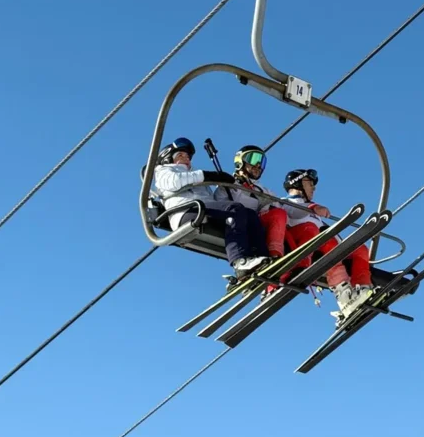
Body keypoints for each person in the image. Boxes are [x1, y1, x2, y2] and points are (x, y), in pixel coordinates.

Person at [151, 136, 269, 276]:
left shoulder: (192, 173)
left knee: (249, 215)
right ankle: (239, 261)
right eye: (181, 155)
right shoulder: (163, 172)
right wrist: (209, 176)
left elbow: (213, 200)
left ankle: (262, 258)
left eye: (188, 156)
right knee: (234, 209)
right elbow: (175, 182)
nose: (187, 158)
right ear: (167, 158)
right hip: (186, 211)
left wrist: (225, 188)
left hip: (202, 208)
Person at [279, 168, 374, 320]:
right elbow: (294, 213)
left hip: (324, 242)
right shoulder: (285, 202)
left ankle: (364, 289)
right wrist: (314, 208)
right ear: (297, 184)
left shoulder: (311, 211)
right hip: (305, 245)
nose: (313, 188)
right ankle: (344, 297)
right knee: (328, 242)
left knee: (360, 250)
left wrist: (345, 245)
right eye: (310, 183)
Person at [213, 144, 288, 260]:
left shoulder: (262, 189)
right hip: (237, 222)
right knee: (252, 215)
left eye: (262, 162)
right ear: (240, 161)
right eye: (254, 159)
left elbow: (279, 206)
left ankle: (290, 262)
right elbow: (220, 203)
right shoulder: (229, 184)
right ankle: (272, 257)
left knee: (281, 217)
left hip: (257, 222)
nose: (258, 165)